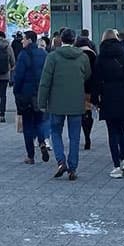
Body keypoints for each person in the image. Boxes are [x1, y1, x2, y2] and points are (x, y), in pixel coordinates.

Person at [37, 28, 90, 180]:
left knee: (55, 132)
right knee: (74, 136)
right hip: (76, 102)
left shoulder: (53, 57)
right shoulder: (82, 57)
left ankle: (61, 161)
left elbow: (45, 81)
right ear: (74, 40)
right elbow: (87, 75)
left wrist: (42, 101)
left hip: (56, 102)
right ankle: (73, 168)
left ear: (61, 39)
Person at [94, 29, 124, 178]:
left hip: (107, 96)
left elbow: (96, 80)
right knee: (123, 129)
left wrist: (96, 99)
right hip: (123, 94)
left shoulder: (100, 58)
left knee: (112, 132)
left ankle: (116, 165)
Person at [13, 33, 51, 164]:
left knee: (28, 125)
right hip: (40, 94)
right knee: (39, 121)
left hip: (26, 95)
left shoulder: (23, 55)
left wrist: (16, 91)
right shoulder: (44, 54)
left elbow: (18, 76)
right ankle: (42, 141)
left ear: (29, 40)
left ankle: (30, 156)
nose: (22, 41)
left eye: (23, 39)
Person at [77, 36, 98, 150]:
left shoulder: (76, 55)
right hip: (90, 89)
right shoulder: (93, 55)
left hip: (78, 88)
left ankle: (83, 134)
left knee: (80, 113)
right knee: (89, 112)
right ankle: (87, 135)